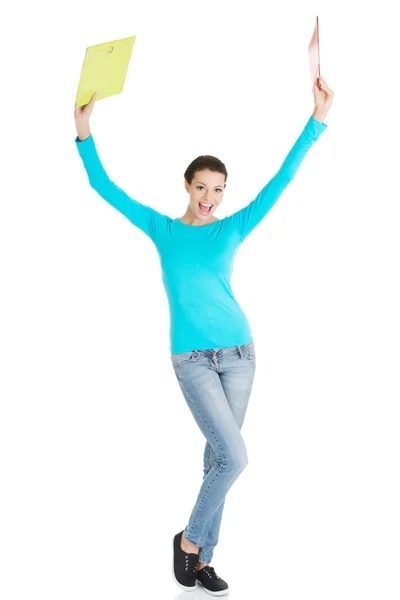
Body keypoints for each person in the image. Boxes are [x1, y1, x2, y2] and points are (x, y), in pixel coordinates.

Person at [74, 75, 334, 595]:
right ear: (186, 187)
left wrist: (317, 121)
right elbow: (104, 188)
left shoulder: (232, 227)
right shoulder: (162, 229)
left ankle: (202, 559)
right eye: (201, 187)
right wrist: (84, 132)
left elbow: (279, 182)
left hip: (241, 354)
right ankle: (189, 542)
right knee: (234, 458)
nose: (210, 197)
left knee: (218, 460)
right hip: (191, 359)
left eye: (218, 190)